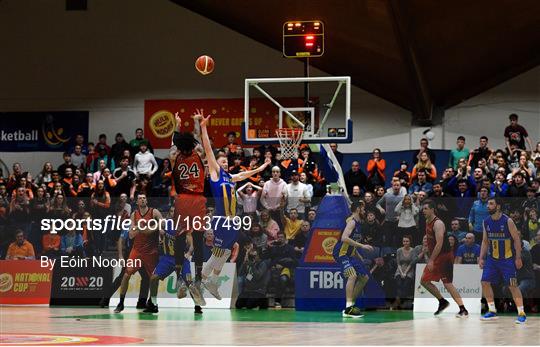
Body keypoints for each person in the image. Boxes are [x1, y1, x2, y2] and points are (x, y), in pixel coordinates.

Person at [197, 109, 271, 300]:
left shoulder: (230, 177)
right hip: (221, 219)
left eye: (226, 162)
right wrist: (203, 127)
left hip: (232, 220)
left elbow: (244, 175)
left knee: (227, 251)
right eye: (221, 161)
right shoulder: (215, 175)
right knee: (219, 252)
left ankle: (212, 281)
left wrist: (261, 167)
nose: (224, 163)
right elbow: (207, 150)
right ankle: (200, 280)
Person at [168, 112, 207, 313]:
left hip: (182, 200)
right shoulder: (198, 153)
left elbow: (173, 143)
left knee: (180, 240)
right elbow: (200, 139)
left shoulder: (174, 156)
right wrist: (196, 122)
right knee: (199, 240)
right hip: (198, 200)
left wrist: (177, 124)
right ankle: (198, 280)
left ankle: (180, 278)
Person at [479, 197, 526, 324]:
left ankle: (521, 313)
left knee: (512, 285)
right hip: (492, 260)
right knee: (484, 282)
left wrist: (518, 257)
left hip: (507, 260)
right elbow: (485, 241)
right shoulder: (486, 221)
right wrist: (481, 257)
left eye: (491, 204)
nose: (488, 206)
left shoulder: (508, 221)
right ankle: (492, 310)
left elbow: (516, 239)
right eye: (487, 204)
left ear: (498, 206)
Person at [114, 194, 163, 313]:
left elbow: (162, 226)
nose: (143, 200)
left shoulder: (154, 212)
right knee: (126, 275)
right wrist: (144, 229)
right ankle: (121, 303)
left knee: (153, 278)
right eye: (140, 198)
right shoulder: (133, 215)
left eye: (144, 198)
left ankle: (153, 303)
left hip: (151, 251)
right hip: (137, 250)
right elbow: (131, 235)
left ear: (146, 200)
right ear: (137, 202)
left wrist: (144, 228)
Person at [420, 200, 468, 317]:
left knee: (447, 283)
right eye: (423, 209)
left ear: (432, 209)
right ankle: (442, 301)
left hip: (444, 256)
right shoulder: (427, 221)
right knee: (424, 281)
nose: (423, 211)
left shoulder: (438, 224)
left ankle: (463, 309)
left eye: (426, 208)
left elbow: (439, 243)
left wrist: (431, 260)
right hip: (437, 256)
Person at [333, 201, 373, 318]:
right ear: (357, 209)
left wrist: (360, 258)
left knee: (364, 278)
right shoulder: (351, 222)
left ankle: (351, 305)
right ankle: (348, 308)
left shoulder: (359, 224)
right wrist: (362, 246)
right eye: (363, 209)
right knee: (352, 275)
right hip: (341, 253)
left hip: (350, 254)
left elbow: (351, 245)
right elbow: (344, 238)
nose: (365, 211)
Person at [394, 235, 417, 309]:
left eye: (407, 241)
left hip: (409, 270)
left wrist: (405, 273)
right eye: (404, 241)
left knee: (405, 285)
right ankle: (399, 302)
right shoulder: (399, 250)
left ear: (410, 242)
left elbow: (411, 263)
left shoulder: (413, 250)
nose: (405, 243)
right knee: (399, 284)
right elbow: (398, 263)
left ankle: (402, 302)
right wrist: (401, 273)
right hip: (400, 269)